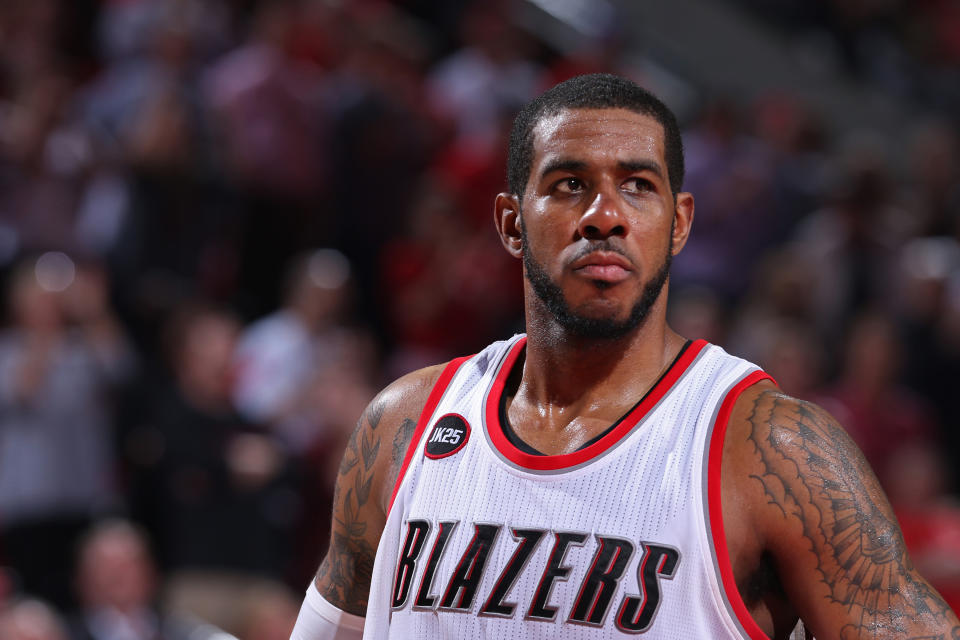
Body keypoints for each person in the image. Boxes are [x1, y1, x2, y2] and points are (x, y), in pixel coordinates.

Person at [289, 74, 960, 639]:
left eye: (637, 184)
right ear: (510, 223)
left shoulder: (772, 451)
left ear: (680, 222)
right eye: (569, 184)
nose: (605, 215)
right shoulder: (403, 425)